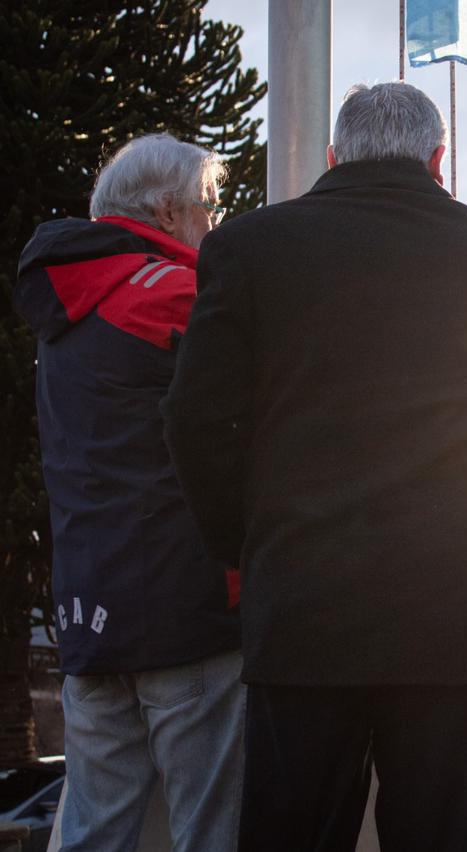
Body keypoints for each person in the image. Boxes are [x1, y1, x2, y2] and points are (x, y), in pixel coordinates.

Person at [162, 82, 467, 851]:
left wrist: (246, 542)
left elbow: (195, 417)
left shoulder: (247, 248)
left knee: (292, 833)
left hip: (304, 598)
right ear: (439, 159)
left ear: (333, 156)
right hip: (458, 610)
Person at [13, 134, 243, 852]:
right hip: (185, 610)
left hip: (89, 610)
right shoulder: (177, 293)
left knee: (89, 832)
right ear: (170, 210)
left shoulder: (67, 310)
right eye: (210, 205)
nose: (215, 220)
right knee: (210, 832)